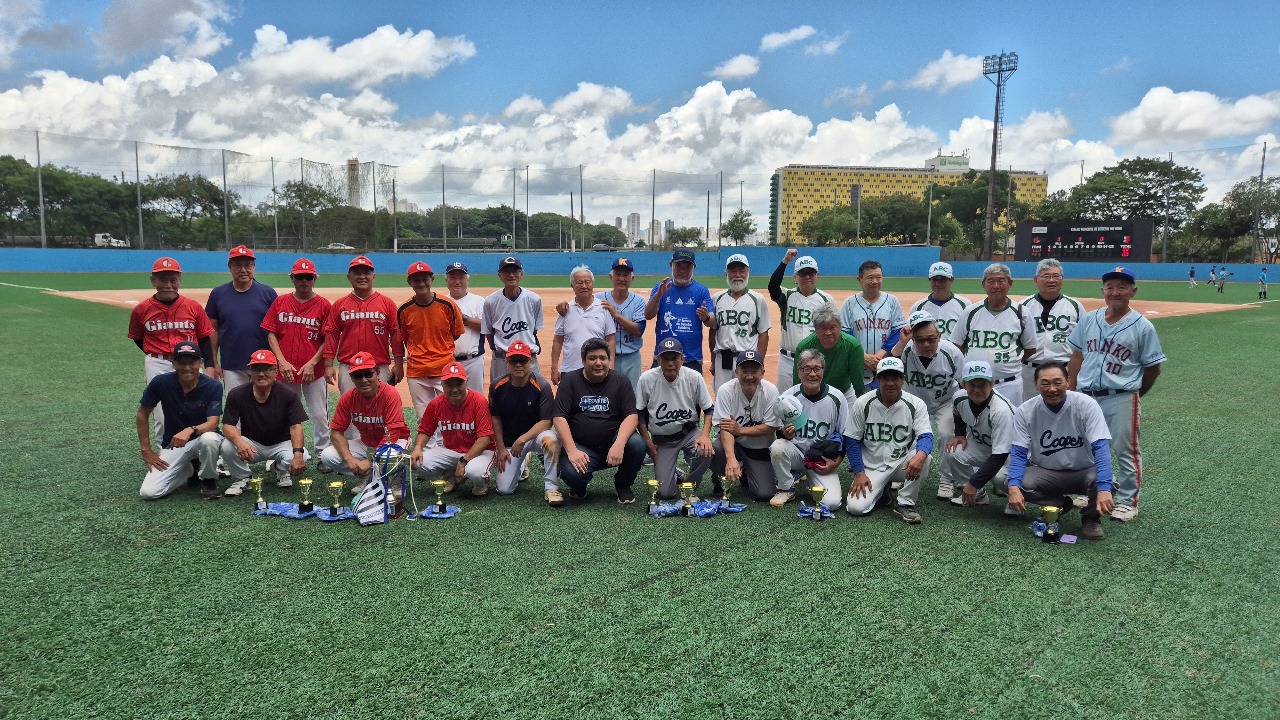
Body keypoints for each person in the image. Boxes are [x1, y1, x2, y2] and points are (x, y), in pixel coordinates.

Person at [1067, 266, 1165, 522]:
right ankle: (1091, 491)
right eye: (1110, 287)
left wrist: (1135, 393)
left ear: (1133, 291)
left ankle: (1127, 501)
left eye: (1122, 287)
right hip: (1086, 395)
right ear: (1103, 291)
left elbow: (1153, 368)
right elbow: (1076, 356)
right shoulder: (1089, 319)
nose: (1115, 292)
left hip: (1121, 395)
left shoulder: (1142, 327)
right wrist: (1071, 386)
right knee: (1085, 447)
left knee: (1125, 449)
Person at [1008, 363, 1113, 541]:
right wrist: (1012, 487)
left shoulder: (1086, 404)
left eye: (1057, 382)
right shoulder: (1025, 410)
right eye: (1045, 383)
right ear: (1036, 384)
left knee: (1107, 482)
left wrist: (1104, 488)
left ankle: (1091, 518)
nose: (1052, 389)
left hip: (1084, 471)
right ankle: (1059, 505)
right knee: (1017, 482)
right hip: (1047, 472)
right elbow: (1019, 452)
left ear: (1068, 381)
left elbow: (1100, 448)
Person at [128, 257, 214, 447]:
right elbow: (138, 337)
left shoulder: (193, 307)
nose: (168, 285)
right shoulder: (141, 310)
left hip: (190, 363)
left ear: (180, 280)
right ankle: (165, 451)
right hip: (158, 363)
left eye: (173, 280)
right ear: (153, 281)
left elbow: (204, 338)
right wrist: (156, 353)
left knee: (198, 407)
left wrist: (210, 365)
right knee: (160, 412)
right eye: (162, 279)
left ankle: (200, 451)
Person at [552, 337, 646, 503]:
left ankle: (623, 485)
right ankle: (579, 486)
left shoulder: (621, 380)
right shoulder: (570, 381)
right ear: (583, 360)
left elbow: (631, 416)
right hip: (582, 446)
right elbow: (559, 417)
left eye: (603, 358)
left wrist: (619, 444)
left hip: (612, 443)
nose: (598, 363)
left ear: (609, 360)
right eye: (592, 358)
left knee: (637, 444)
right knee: (573, 474)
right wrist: (572, 451)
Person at [844, 357, 934, 523]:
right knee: (856, 508)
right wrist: (859, 472)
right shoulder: (863, 402)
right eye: (885, 378)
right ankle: (882, 491)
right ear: (877, 379)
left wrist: (920, 455)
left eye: (895, 378)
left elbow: (926, 436)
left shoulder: (916, 404)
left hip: (902, 463)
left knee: (925, 457)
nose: (890, 383)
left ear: (902, 380)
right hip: (871, 465)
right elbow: (852, 440)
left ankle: (905, 503)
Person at [262, 257, 333, 458]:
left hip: (314, 371)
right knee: (283, 412)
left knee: (319, 413)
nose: (304, 281)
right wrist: (281, 361)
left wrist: (313, 363)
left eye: (308, 277)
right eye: (300, 277)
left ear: (314, 279)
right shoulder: (281, 302)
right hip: (286, 370)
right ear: (292, 278)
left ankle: (322, 453)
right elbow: (271, 333)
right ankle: (284, 451)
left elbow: (328, 339)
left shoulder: (323, 305)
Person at [136, 341, 224, 500]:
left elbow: (213, 424)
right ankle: (188, 471)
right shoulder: (160, 382)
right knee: (149, 492)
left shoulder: (213, 386)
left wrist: (190, 430)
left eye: (192, 362)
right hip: (174, 443)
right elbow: (142, 414)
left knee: (209, 439)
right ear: (173, 363)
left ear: (200, 363)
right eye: (182, 363)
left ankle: (208, 479)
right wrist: (146, 450)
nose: (187, 367)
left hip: (202, 438)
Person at [888, 310, 964, 495]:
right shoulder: (905, 350)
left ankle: (946, 479)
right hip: (916, 401)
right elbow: (888, 368)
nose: (927, 344)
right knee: (905, 434)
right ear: (913, 339)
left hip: (946, 401)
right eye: (920, 340)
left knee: (946, 433)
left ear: (939, 335)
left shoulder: (952, 352)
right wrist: (902, 342)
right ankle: (900, 472)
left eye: (931, 338)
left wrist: (962, 415)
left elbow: (963, 384)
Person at [218, 349, 309, 496]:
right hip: (252, 444)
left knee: (302, 456)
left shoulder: (288, 394)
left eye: (266, 369)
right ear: (250, 372)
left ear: (275, 372)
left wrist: (298, 455)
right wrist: (240, 442)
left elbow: (296, 427)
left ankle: (279, 469)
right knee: (227, 446)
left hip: (281, 443)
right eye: (256, 369)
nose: (261, 374)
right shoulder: (237, 394)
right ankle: (243, 478)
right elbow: (228, 425)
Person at [318, 351, 410, 493]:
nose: (364, 380)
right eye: (358, 376)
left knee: (389, 455)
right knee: (328, 456)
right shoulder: (348, 398)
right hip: (367, 443)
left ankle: (395, 479)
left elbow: (393, 433)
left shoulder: (390, 394)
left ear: (377, 373)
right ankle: (368, 475)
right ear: (352, 378)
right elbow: (336, 433)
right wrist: (350, 460)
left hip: (396, 441)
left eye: (368, 374)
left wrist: (369, 461)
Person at [635, 338, 715, 500]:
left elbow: (709, 409)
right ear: (658, 360)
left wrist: (705, 435)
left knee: (705, 451)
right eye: (665, 359)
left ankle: (689, 484)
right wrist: (648, 443)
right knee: (665, 493)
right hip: (662, 440)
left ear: (682, 359)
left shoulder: (694, 377)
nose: (670, 363)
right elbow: (640, 414)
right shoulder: (646, 379)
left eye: (674, 358)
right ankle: (674, 473)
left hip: (689, 433)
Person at [768, 349, 846, 510]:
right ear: (799, 372)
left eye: (817, 369)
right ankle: (786, 487)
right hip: (796, 454)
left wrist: (836, 462)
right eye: (806, 369)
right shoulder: (789, 396)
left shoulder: (837, 397)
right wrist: (785, 434)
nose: (812, 374)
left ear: (823, 371)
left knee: (831, 504)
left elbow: (845, 434)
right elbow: (780, 431)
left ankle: (812, 482)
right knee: (778, 447)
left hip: (821, 459)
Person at [950, 263, 1037, 406]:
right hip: (975, 383)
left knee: (1010, 419)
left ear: (1010, 284)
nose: (996, 286)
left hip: (1009, 384)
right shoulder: (970, 311)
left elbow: (1031, 348)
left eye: (1001, 280)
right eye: (990, 281)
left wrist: (1010, 361)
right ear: (983, 285)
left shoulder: (1022, 313)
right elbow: (957, 344)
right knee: (973, 418)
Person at [488, 341, 563, 505]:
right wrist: (500, 448)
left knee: (551, 439)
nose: (518, 365)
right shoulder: (496, 386)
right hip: (510, 441)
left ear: (530, 362)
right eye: (514, 360)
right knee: (504, 490)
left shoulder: (542, 385)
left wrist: (522, 439)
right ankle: (521, 464)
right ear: (507, 363)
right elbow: (495, 418)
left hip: (534, 437)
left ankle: (551, 487)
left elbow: (546, 422)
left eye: (523, 360)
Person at [411, 362, 495, 497]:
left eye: (459, 384)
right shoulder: (436, 404)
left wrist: (463, 462)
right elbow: (425, 431)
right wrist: (417, 448)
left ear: (466, 382)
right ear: (442, 384)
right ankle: (450, 474)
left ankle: (481, 483)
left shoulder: (479, 401)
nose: (455, 389)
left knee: (475, 472)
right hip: (452, 451)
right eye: (450, 385)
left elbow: (485, 439)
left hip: (481, 452)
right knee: (419, 463)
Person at [942, 360, 1016, 511]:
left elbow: (1000, 455)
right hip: (988, 447)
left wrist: (973, 483)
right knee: (953, 451)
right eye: (972, 385)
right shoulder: (959, 397)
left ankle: (1017, 497)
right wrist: (960, 434)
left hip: (1014, 456)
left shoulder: (1001, 410)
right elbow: (957, 413)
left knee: (999, 477)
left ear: (992, 384)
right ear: (964, 385)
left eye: (982, 385)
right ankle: (979, 495)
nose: (976, 390)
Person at [395, 261, 464, 421]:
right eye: (416, 280)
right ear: (409, 282)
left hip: (444, 369)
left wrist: (440, 346)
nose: (421, 283)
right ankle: (428, 440)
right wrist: (399, 364)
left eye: (425, 279)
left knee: (449, 416)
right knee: (424, 418)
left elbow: (456, 333)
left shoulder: (448, 305)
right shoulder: (404, 310)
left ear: (432, 279)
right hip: (417, 371)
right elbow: (402, 338)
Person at [710, 349, 781, 502]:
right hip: (734, 445)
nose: (749, 376)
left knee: (764, 494)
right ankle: (720, 482)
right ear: (736, 372)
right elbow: (725, 428)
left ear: (762, 372)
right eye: (744, 371)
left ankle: (746, 473)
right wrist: (731, 458)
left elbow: (771, 427)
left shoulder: (771, 391)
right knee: (717, 447)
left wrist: (740, 430)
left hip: (759, 448)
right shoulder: (725, 390)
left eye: (754, 371)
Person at [204, 245, 278, 393]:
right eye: (237, 265)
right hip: (232, 364)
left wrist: (278, 361)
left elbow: (277, 330)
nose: (243, 270)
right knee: (236, 403)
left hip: (264, 364)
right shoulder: (218, 294)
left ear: (254, 267)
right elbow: (212, 331)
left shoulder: (268, 293)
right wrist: (213, 363)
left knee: (265, 404)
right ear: (230, 268)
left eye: (248, 265)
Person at [323, 256, 399, 396]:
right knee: (349, 404)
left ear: (373, 277)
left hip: (378, 366)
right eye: (357, 273)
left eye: (366, 273)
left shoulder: (387, 304)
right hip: (349, 367)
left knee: (380, 405)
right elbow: (332, 335)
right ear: (349, 278)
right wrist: (328, 365)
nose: (362, 277)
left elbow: (395, 335)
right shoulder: (340, 305)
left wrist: (398, 364)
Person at [1018, 258, 1083, 404]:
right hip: (1029, 371)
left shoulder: (1075, 306)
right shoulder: (1022, 306)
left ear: (1062, 280)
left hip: (1063, 370)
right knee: (1029, 410)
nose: (1051, 280)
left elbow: (1083, 343)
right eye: (1046, 276)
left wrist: (1073, 377)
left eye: (1056, 276)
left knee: (1064, 410)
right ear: (1036, 280)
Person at [768, 249, 836, 386]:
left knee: (813, 397)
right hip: (788, 361)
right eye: (802, 273)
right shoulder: (787, 296)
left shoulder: (826, 300)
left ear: (817, 276)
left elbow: (833, 331)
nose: (807, 277)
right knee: (785, 397)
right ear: (795, 277)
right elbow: (773, 286)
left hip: (815, 361)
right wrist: (785, 261)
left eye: (811, 273)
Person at [840, 259, 906, 390]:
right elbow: (844, 334)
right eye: (870, 278)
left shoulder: (892, 301)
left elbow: (898, 331)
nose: (875, 281)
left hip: (886, 365)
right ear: (859, 279)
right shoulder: (849, 303)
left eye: (878, 277)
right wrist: (862, 356)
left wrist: (881, 354)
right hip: (857, 367)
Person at [709, 254, 771, 391]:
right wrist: (713, 360)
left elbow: (763, 333)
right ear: (726, 273)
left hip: (748, 361)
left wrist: (760, 362)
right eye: (733, 271)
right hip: (722, 359)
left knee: (748, 397)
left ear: (748, 272)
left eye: (742, 271)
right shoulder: (717, 298)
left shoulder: (757, 299)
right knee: (722, 396)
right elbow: (713, 331)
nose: (737, 275)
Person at [646, 249, 714, 373]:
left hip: (691, 358)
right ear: (671, 265)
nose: (682, 271)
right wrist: (658, 296)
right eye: (678, 266)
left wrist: (706, 317)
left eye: (687, 267)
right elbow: (648, 315)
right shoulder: (660, 288)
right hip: (663, 356)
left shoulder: (701, 291)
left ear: (694, 268)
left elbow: (711, 321)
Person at [482, 255, 545, 384]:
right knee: (500, 394)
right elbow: (488, 332)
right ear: (500, 275)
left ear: (522, 274)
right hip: (502, 359)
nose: (511, 275)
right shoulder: (490, 301)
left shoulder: (534, 299)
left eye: (515, 271)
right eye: (506, 271)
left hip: (528, 357)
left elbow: (533, 331)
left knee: (533, 392)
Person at [551, 265, 614, 386]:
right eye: (579, 283)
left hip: (597, 369)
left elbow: (610, 339)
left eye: (587, 282)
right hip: (570, 369)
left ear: (593, 284)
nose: (584, 286)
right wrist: (554, 368)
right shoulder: (565, 310)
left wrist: (610, 365)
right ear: (572, 286)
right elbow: (557, 341)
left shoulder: (603, 308)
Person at [791, 307, 866, 405]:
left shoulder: (853, 346)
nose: (828, 333)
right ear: (815, 329)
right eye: (823, 328)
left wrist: (863, 407)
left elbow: (858, 382)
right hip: (813, 395)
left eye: (832, 327)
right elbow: (798, 382)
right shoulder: (804, 347)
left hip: (844, 394)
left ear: (840, 327)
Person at [599, 257, 648, 388]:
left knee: (632, 395)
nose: (621, 279)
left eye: (625, 275)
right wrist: (564, 306)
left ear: (632, 278)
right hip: (604, 357)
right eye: (618, 274)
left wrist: (615, 314)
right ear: (611, 276)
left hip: (632, 358)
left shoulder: (638, 301)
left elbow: (639, 330)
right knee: (607, 394)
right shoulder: (598, 299)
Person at [444, 261, 487, 394]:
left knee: (475, 397)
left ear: (467, 280)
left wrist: (464, 319)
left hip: (473, 361)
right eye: (453, 278)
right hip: (447, 361)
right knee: (449, 398)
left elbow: (486, 326)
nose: (457, 282)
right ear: (446, 280)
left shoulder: (479, 301)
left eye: (461, 278)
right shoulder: (441, 302)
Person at [910, 261, 971, 340]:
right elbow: (912, 336)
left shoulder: (965, 305)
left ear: (951, 280)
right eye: (934, 280)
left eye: (943, 280)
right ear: (929, 280)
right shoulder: (918, 307)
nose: (938, 284)